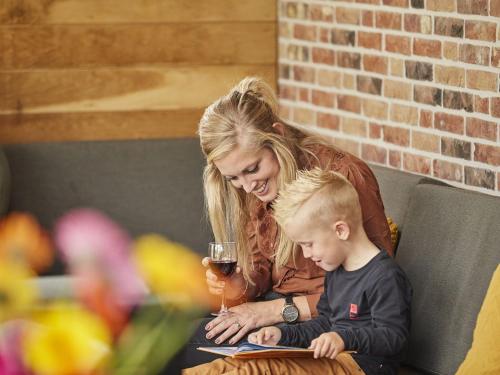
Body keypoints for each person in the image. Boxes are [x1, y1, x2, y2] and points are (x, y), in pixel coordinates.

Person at [165, 77, 393, 372]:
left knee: (177, 354)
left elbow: (372, 292)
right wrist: (235, 286)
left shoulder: (342, 175)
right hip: (275, 318)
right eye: (233, 178)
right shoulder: (254, 189)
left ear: (278, 136)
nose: (247, 187)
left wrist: (273, 311)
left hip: (326, 329)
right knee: (164, 341)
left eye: (252, 169)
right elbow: (259, 269)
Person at [183, 168, 412, 375]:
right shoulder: (337, 272)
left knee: (255, 371)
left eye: (309, 244)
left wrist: (343, 337)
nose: (306, 254)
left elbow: (394, 337)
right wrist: (282, 334)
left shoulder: (384, 276)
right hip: (327, 359)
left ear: (340, 230)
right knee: (231, 365)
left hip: (361, 366)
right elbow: (325, 322)